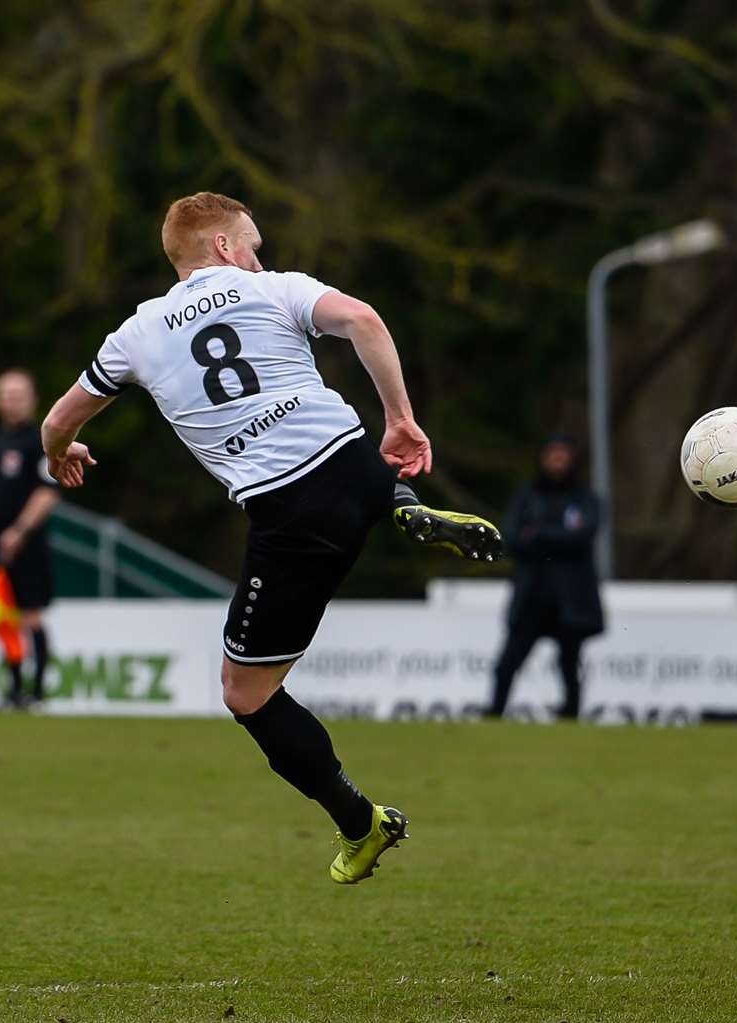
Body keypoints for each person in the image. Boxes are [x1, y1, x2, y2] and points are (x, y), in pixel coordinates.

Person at [40, 192, 501, 885]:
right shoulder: (278, 290)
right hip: (353, 460)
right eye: (253, 245)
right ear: (224, 248)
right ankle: (400, 504)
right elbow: (364, 320)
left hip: (289, 511)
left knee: (245, 694)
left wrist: (61, 452)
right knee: (358, 466)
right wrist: (401, 420)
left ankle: (359, 821)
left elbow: (58, 419)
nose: (261, 258)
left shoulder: (134, 335)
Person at [488, 434, 604, 720]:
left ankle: (570, 716)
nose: (558, 460)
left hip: (570, 600)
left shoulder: (586, 498)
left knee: (568, 664)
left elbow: (582, 536)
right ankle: (494, 714)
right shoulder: (527, 496)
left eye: (563, 454)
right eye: (553, 454)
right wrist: (556, 536)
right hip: (532, 596)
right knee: (507, 663)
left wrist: (539, 534)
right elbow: (512, 540)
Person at [0, 369, 60, 708]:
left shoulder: (41, 439)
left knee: (30, 616)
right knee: (3, 617)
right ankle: (14, 691)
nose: (12, 401)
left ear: (32, 399)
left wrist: (20, 531)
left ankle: (35, 694)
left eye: (18, 394)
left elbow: (48, 493)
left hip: (29, 546)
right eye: (6, 394)